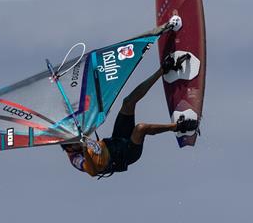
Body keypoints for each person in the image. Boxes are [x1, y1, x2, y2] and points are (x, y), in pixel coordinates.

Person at [62, 54, 198, 177]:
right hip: (125, 155)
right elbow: (92, 172)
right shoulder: (75, 159)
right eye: (75, 143)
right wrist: (85, 149)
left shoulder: (77, 137)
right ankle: (179, 126)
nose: (78, 141)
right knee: (141, 128)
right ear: (69, 148)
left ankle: (163, 70)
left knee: (128, 102)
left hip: (116, 140)